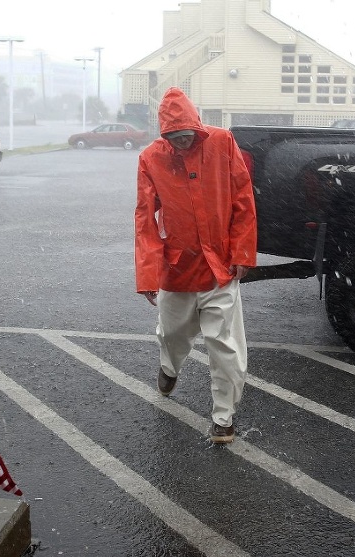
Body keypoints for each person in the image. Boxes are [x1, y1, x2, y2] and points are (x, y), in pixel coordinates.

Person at [134, 87, 257, 444]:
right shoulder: (151, 158)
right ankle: (170, 366)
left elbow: (242, 198)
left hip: (220, 269)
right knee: (173, 334)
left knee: (225, 345)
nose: (182, 142)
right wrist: (147, 273)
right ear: (164, 135)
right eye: (174, 137)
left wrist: (243, 253)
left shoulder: (222, 143)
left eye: (187, 135)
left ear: (197, 126)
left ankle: (224, 417)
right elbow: (145, 217)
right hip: (177, 269)